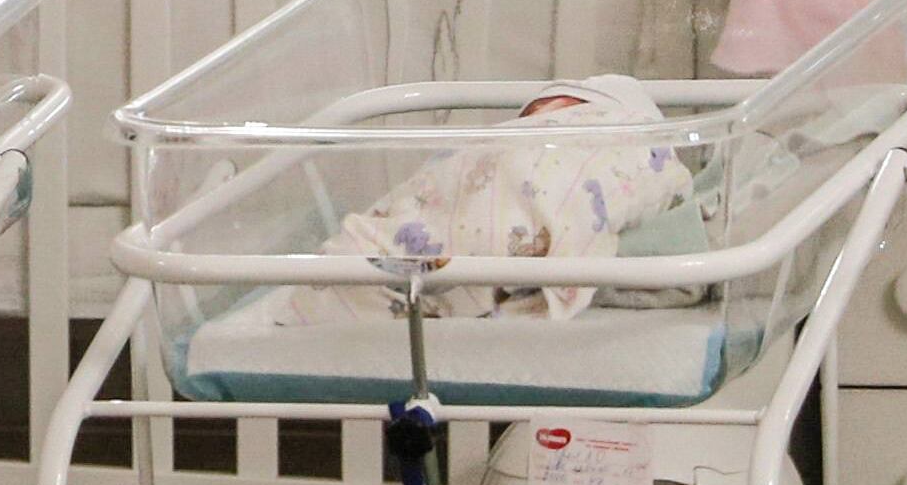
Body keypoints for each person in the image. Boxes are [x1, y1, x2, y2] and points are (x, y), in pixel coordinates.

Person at [251, 75, 696, 327]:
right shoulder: (505, 145)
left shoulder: (617, 130)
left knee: (378, 248)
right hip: (519, 242)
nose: (526, 121)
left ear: (569, 105)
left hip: (498, 229)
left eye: (537, 112)